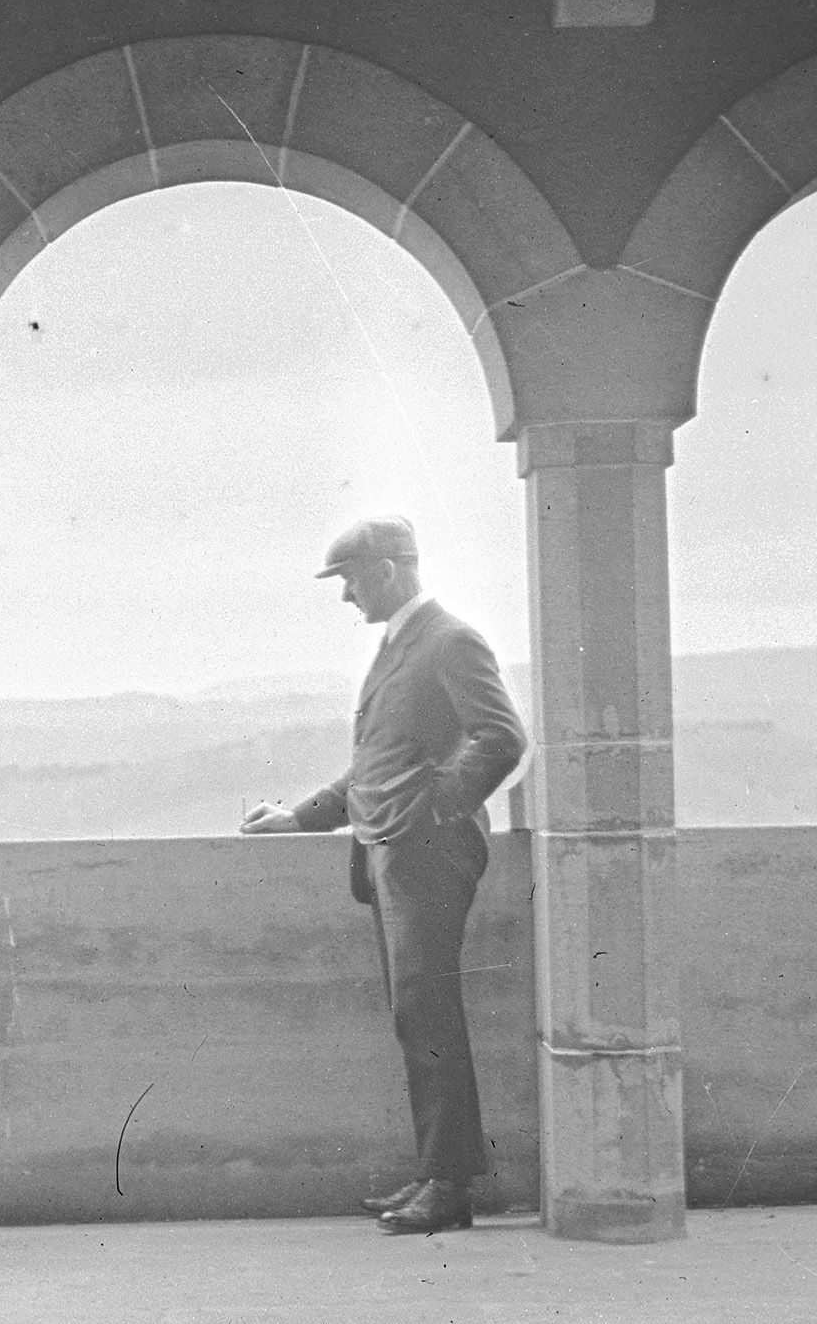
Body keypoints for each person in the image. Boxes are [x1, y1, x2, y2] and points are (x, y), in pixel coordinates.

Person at [239, 516, 527, 1235]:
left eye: (351, 579)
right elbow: (376, 764)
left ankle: (449, 1187)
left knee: (428, 1016)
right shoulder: (400, 646)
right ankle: (436, 1175)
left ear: (390, 570)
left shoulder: (450, 639)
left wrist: (438, 809)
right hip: (392, 856)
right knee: (416, 1016)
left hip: (426, 855)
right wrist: (301, 817)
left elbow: (503, 736)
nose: (345, 596)